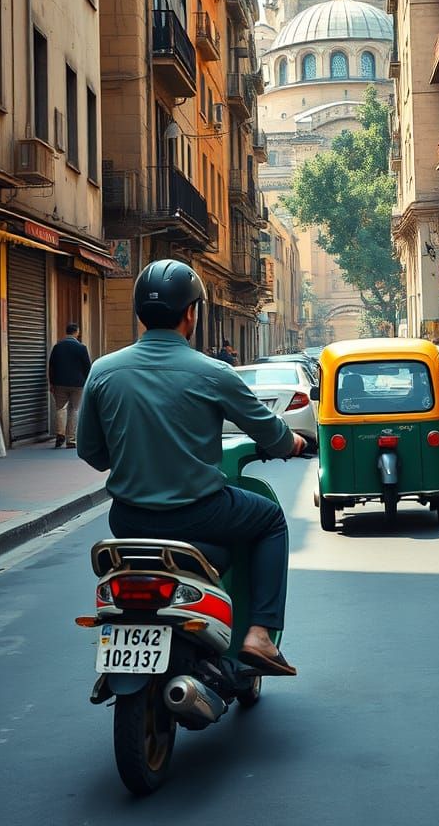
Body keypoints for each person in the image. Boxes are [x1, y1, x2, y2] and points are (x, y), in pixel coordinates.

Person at [76, 260, 306, 676]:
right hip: (201, 514)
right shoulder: (213, 372)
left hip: (127, 519)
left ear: (140, 313)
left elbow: (91, 452)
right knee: (270, 519)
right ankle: (259, 634)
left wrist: (131, 455)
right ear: (190, 313)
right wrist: (293, 442)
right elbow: (271, 433)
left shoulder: (102, 371)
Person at [48, 322, 91, 449]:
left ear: (66, 332)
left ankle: (60, 434)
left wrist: (51, 383)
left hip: (59, 383)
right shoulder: (81, 348)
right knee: (74, 409)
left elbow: (51, 366)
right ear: (77, 332)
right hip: (78, 384)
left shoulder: (57, 347)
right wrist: (88, 381)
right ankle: (71, 439)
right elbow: (87, 367)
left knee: (60, 408)